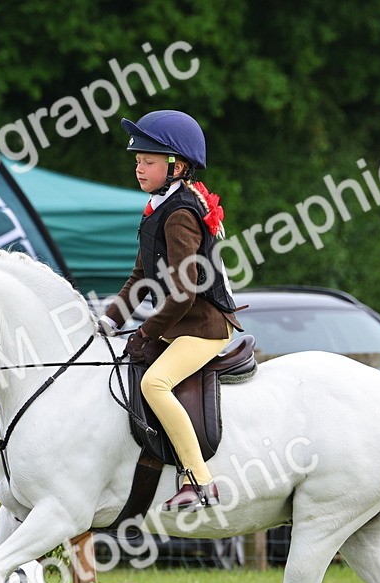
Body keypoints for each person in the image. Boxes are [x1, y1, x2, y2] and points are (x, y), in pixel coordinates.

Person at [99, 110, 243, 512]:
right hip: (182, 322)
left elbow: (182, 293)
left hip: (203, 326)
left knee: (154, 384)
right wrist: (109, 320)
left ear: (176, 166)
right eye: (137, 161)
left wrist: (144, 333)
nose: (139, 168)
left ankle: (199, 481)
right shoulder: (158, 207)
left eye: (148, 161)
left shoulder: (180, 214)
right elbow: (140, 276)